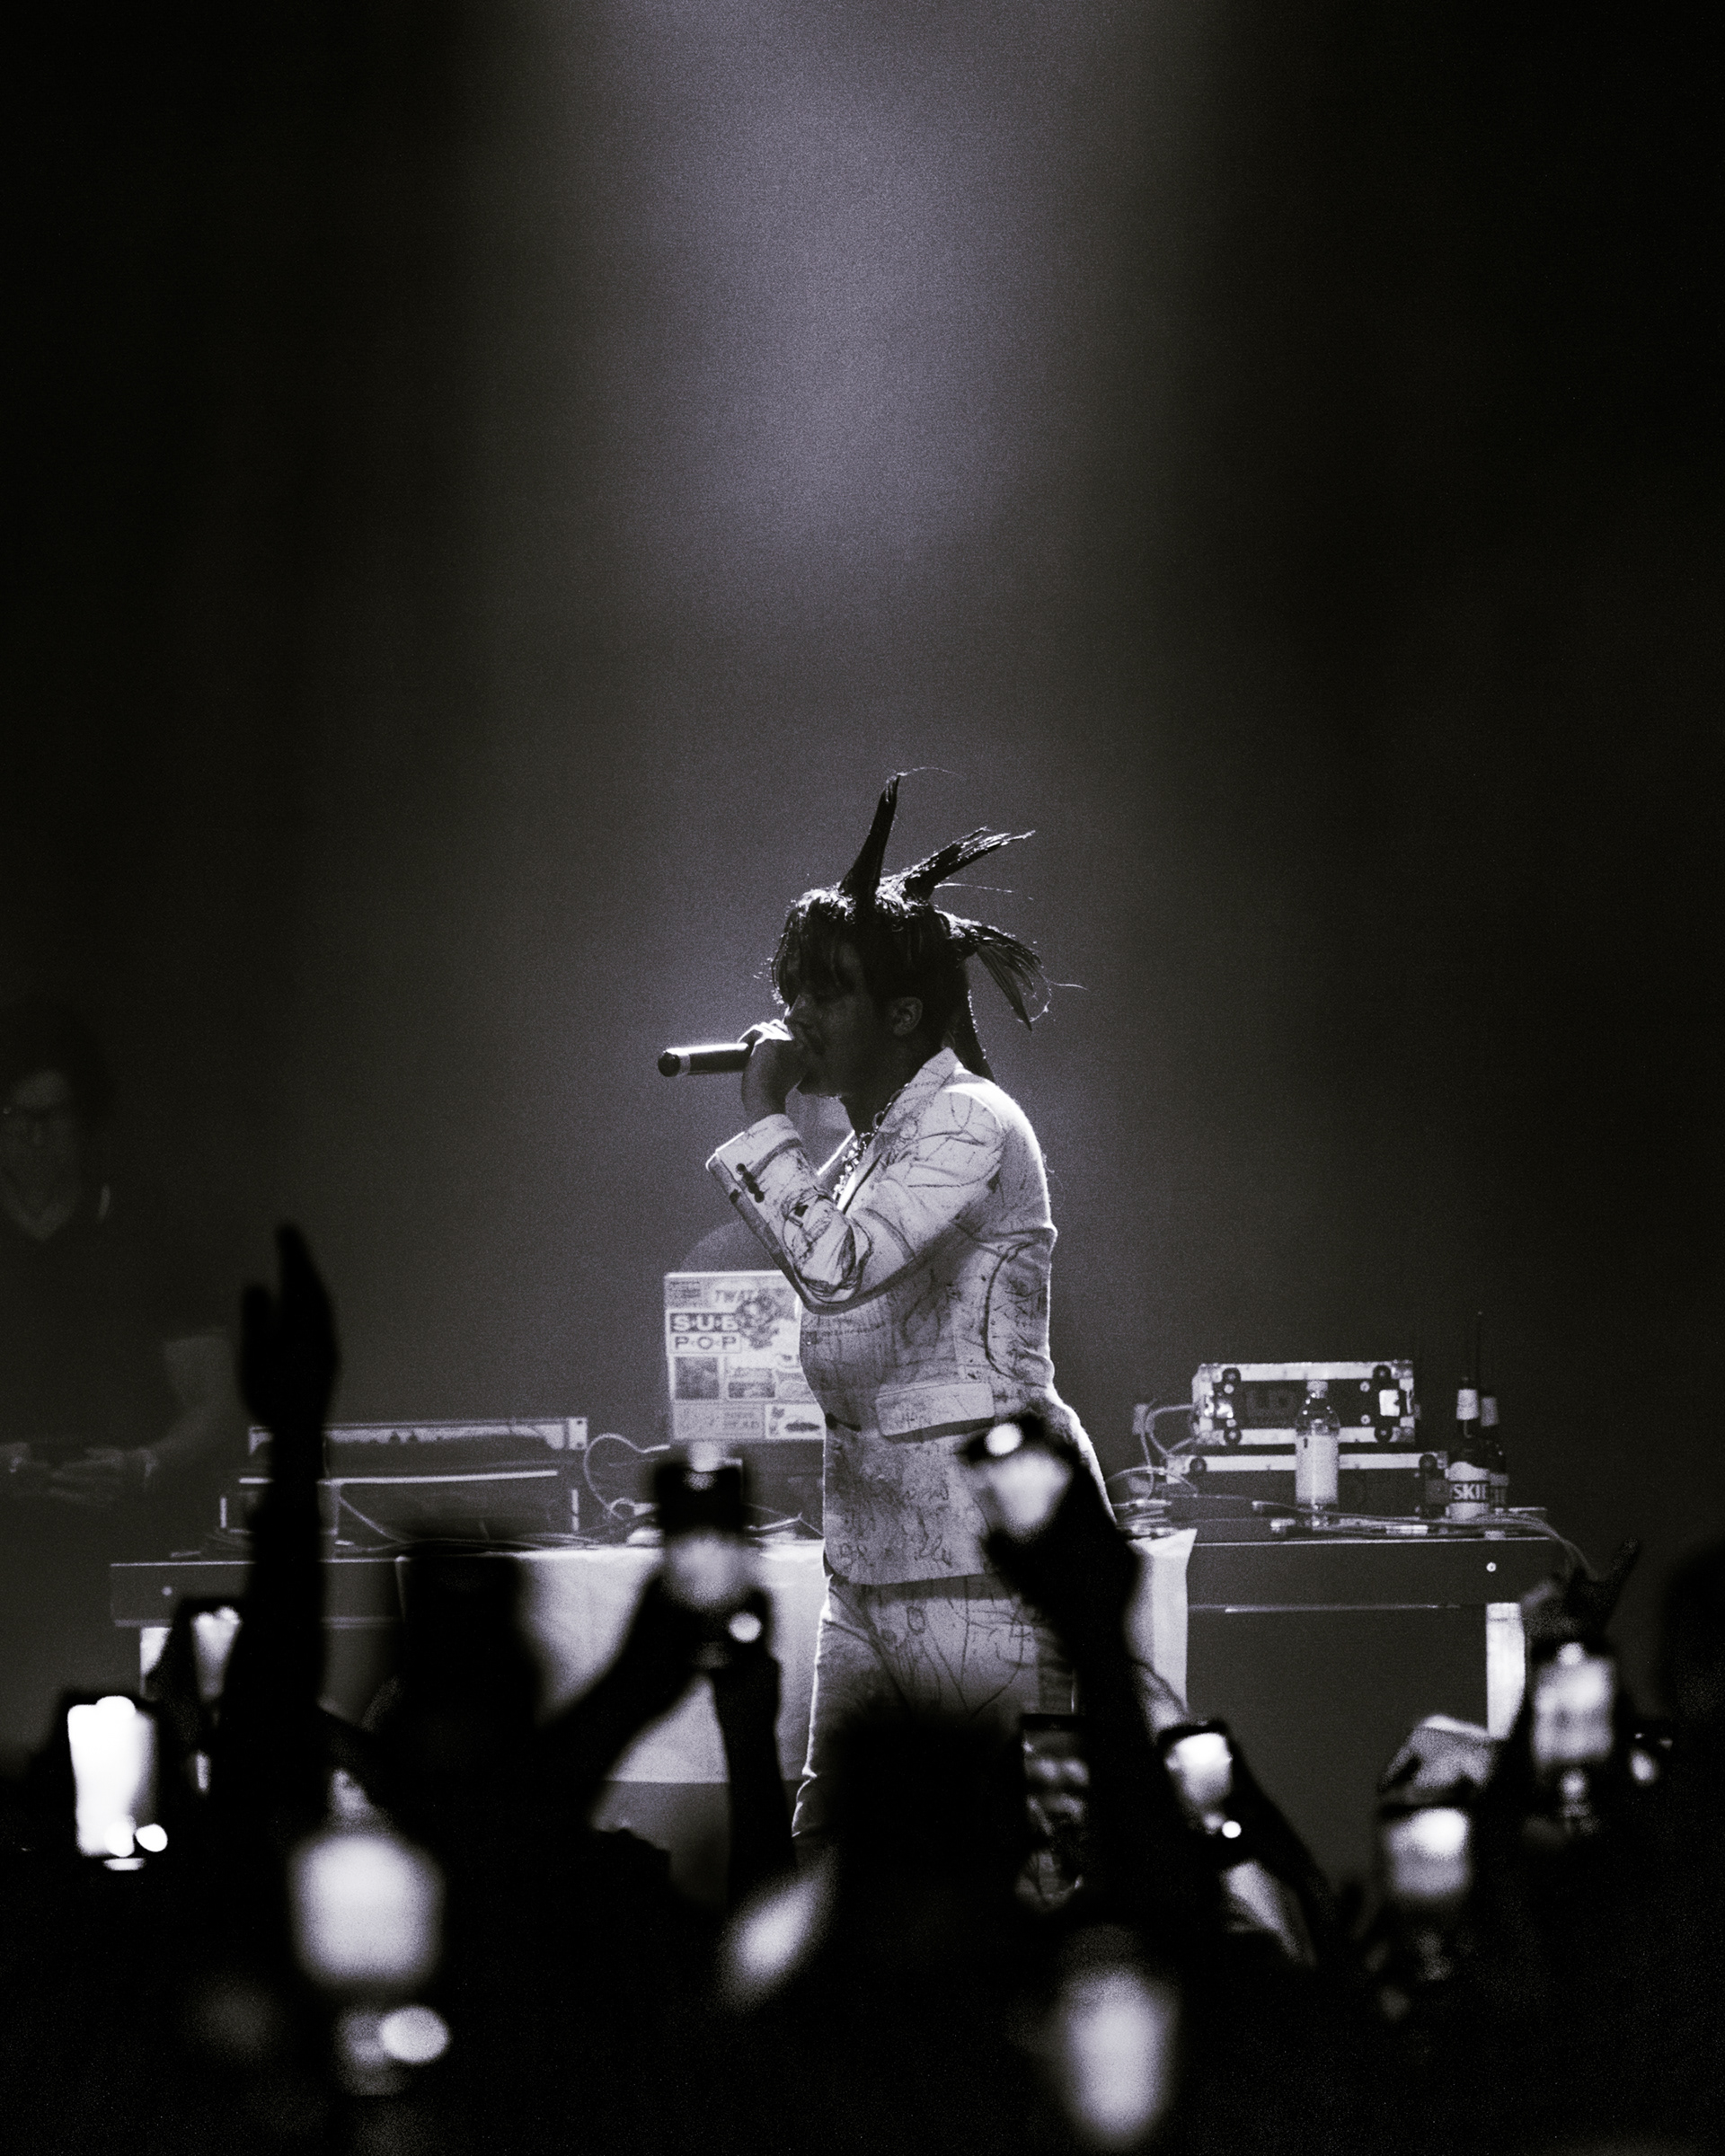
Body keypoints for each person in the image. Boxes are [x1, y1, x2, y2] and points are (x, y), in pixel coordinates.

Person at [706, 776, 1110, 1842]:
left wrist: (762, 1114)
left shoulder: (970, 1120)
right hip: (872, 1565)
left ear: (902, 1013)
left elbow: (836, 1269)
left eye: (827, 991)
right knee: (831, 1846)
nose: (798, 1014)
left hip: (989, 1565)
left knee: (1010, 1850)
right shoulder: (865, 1149)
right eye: (793, 988)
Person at [0, 998, 241, 1754]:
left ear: (83, 1122)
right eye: (14, 1117)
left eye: (51, 1117)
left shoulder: (144, 1229)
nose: (32, 1136)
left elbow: (219, 1404)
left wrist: (141, 1467)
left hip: (117, 1568)